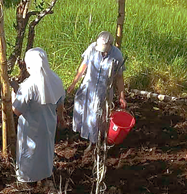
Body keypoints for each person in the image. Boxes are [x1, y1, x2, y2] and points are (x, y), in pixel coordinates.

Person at [11, 48, 66, 185]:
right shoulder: (55, 79)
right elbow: (60, 102)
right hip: (49, 124)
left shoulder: (28, 86)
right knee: (45, 150)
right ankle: (44, 174)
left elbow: (17, 110)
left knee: (29, 152)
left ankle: (27, 180)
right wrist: (60, 117)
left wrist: (13, 94)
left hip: (31, 127)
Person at [67, 31, 127, 151]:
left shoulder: (117, 56)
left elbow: (119, 77)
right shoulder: (92, 49)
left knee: (97, 115)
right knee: (81, 108)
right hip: (88, 85)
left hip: (103, 90)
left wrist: (122, 96)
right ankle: (83, 133)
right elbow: (83, 66)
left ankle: (95, 141)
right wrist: (74, 83)